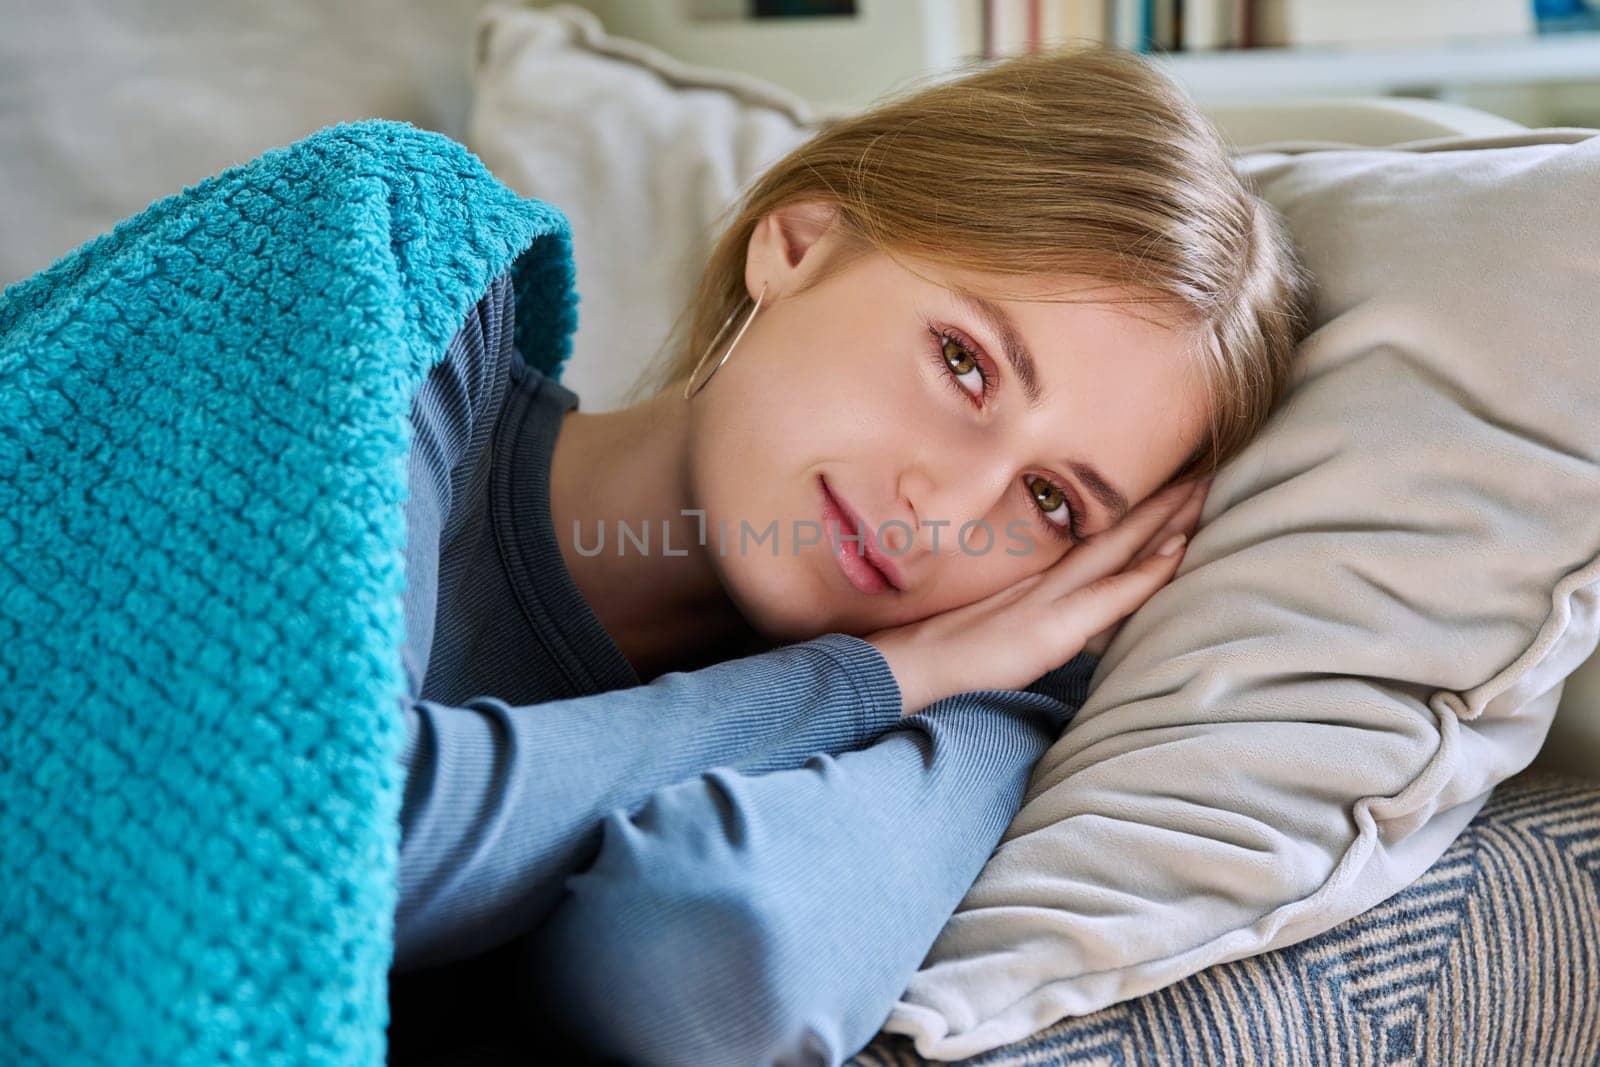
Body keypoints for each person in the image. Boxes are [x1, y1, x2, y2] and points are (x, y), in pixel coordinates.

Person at [384, 44, 1315, 1067]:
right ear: (798, 244)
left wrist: (996, 695)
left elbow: (704, 967)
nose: (948, 510)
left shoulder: (970, 686)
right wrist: (884, 674)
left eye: (1050, 499)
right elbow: (319, 831)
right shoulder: (398, 317)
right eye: (965, 362)